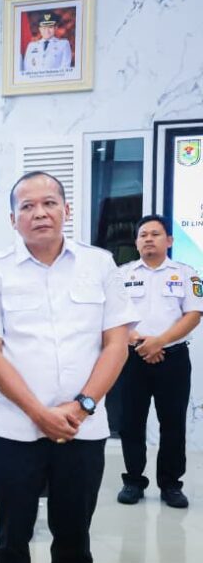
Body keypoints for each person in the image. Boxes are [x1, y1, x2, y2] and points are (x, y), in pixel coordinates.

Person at [0, 171, 136, 563]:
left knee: (74, 541)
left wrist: (82, 405)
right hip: (13, 431)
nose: (39, 213)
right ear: (12, 219)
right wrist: (38, 413)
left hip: (82, 431)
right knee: (11, 542)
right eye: (27, 206)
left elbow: (116, 343)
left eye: (48, 203)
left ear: (67, 209)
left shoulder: (99, 264)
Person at [114, 214, 202, 508]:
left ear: (169, 240)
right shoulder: (121, 275)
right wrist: (138, 341)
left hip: (173, 358)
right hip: (132, 357)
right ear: (137, 242)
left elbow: (193, 314)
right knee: (131, 422)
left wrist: (159, 342)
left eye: (155, 234)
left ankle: (171, 485)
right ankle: (133, 481)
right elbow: (112, 315)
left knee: (173, 423)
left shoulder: (186, 274)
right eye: (143, 235)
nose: (148, 239)